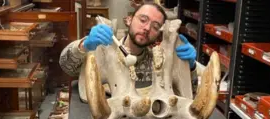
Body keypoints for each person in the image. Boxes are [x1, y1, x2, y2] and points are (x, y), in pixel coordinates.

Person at [59, 2, 198, 92]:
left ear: (158, 34)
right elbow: (66, 66)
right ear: (129, 20)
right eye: (143, 20)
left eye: (155, 26)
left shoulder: (158, 63)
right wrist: (84, 45)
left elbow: (190, 89)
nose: (147, 28)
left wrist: (189, 67)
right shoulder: (102, 51)